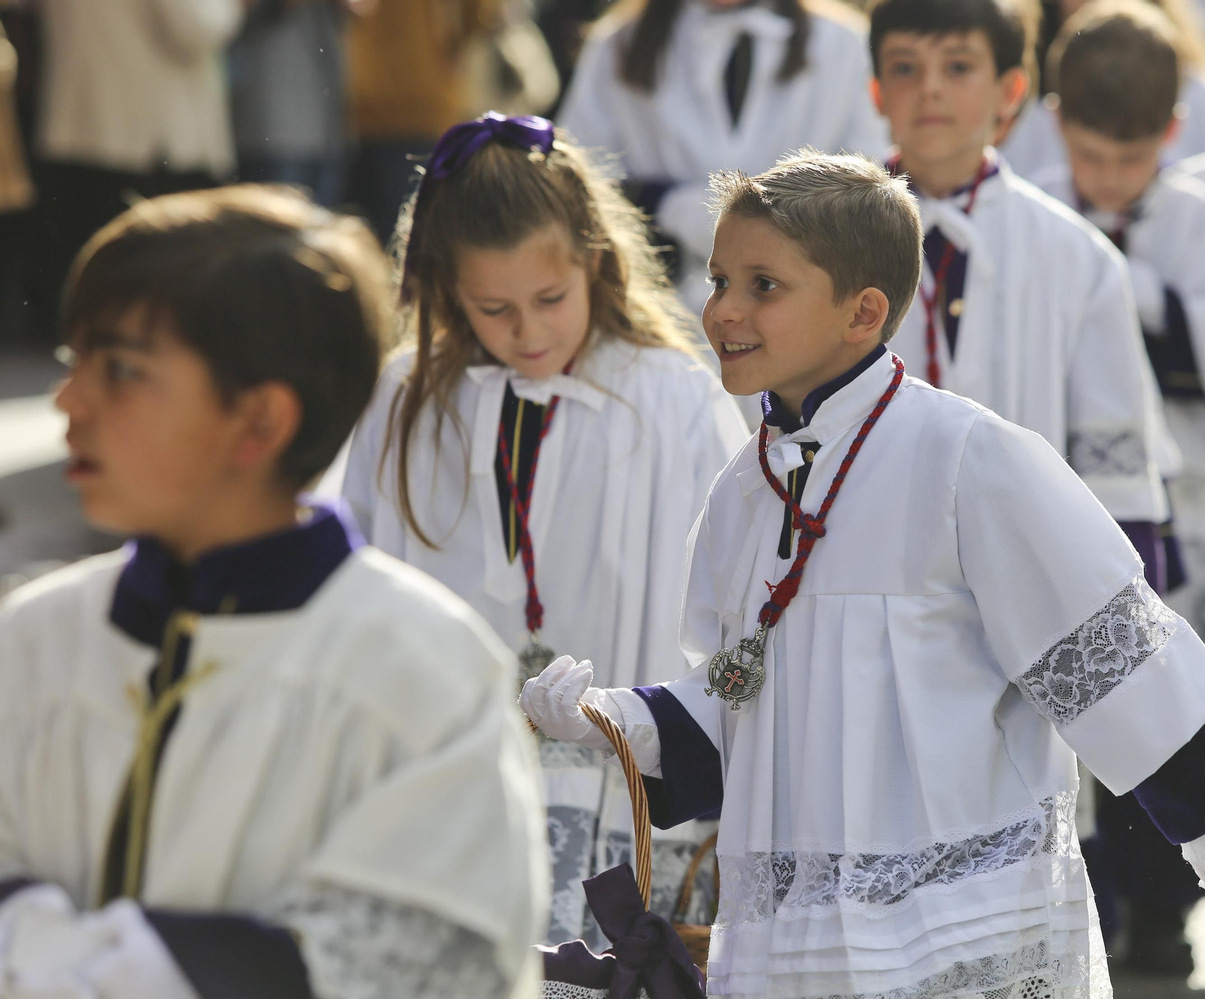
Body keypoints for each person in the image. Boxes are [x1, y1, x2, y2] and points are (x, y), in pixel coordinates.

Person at [521, 151, 1205, 999]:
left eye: (763, 285)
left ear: (863, 312)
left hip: (958, 933)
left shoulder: (967, 458)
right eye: (719, 277)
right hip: (802, 951)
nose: (722, 308)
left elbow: (1103, 639)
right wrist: (622, 720)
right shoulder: (740, 494)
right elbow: (745, 695)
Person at [0, 186, 546, 997]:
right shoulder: (32, 638)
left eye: (120, 369)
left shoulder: (421, 670)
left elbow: (415, 958)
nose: (69, 403)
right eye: (73, 361)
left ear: (258, 422)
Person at [339, 113, 749, 945]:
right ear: (445, 289)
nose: (528, 333)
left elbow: (733, 591)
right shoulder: (405, 396)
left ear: (595, 262)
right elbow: (359, 569)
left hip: (624, 790)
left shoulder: (669, 395)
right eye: (493, 308)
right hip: (450, 776)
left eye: (549, 300)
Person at [1042, 0, 1205, 974]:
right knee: (1075, 703)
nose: (1105, 181)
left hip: (1188, 506)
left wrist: (1133, 296)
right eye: (1089, 159)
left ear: (1172, 134)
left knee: (1162, 703)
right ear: (1055, 123)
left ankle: (1165, 910)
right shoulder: (1032, 214)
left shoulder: (1204, 222)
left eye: (1128, 163)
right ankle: (1090, 896)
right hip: (1068, 504)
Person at [868, 0, 1174, 574]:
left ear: (1011, 92)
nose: (930, 89)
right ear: (877, 92)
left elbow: (1118, 482)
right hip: (868, 580)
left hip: (1026, 586)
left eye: (958, 68)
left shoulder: (1076, 256)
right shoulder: (826, 241)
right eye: (906, 68)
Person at [556, 0, 889, 306]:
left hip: (800, 305)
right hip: (663, 306)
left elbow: (869, 182)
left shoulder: (843, 43)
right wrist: (672, 209)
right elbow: (578, 179)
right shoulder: (619, 44)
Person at [33, 0, 241, 333]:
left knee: (92, 282)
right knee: (149, 287)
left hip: (80, 119)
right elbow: (199, 27)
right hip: (151, 134)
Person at [1001, 0, 1205, 189]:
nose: (1109, 181)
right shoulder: (1022, 103)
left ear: (1172, 128)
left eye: (1132, 159)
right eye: (1090, 156)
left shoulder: (1201, 95)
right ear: (1058, 119)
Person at [346, 0, 499, 245]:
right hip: (415, 99)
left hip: (368, 100)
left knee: (369, 241)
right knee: (408, 241)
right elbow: (484, 13)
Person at [230, 0, 369, 207]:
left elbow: (361, 10)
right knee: (274, 233)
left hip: (326, 126)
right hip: (271, 127)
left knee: (324, 232)